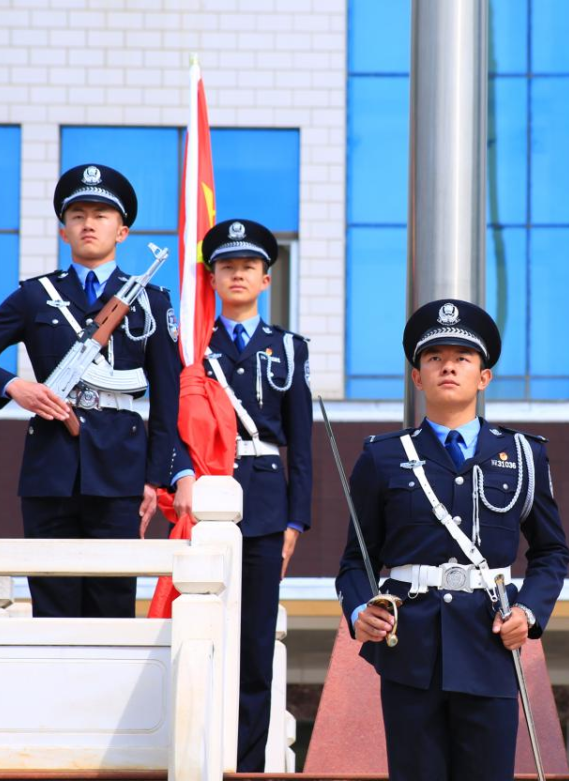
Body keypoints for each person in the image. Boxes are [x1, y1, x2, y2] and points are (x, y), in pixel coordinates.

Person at [335, 299, 569, 781]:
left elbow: (551, 551)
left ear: (483, 377)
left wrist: (528, 613)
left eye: (462, 358)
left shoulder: (523, 455)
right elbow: (356, 561)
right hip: (408, 648)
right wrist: (359, 612)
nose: (448, 366)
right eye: (434, 357)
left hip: (489, 643)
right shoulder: (382, 457)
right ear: (417, 377)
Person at [0, 163, 194, 618]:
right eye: (78, 215)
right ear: (64, 231)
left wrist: (154, 479)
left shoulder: (151, 301)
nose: (88, 224)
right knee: (53, 603)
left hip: (121, 468)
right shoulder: (36, 296)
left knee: (111, 604)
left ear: (122, 231)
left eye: (101, 215)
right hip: (51, 467)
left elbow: (168, 398)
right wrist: (15, 387)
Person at [199, 218, 312, 772]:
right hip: (206, 497)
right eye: (227, 267)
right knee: (204, 630)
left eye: (248, 267)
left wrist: (296, 521)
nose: (238, 275)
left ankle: (246, 766)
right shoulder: (194, 344)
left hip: (266, 505)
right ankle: (202, 751)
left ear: (267, 280)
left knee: (256, 642)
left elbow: (303, 445)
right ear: (212, 278)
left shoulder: (288, 348)